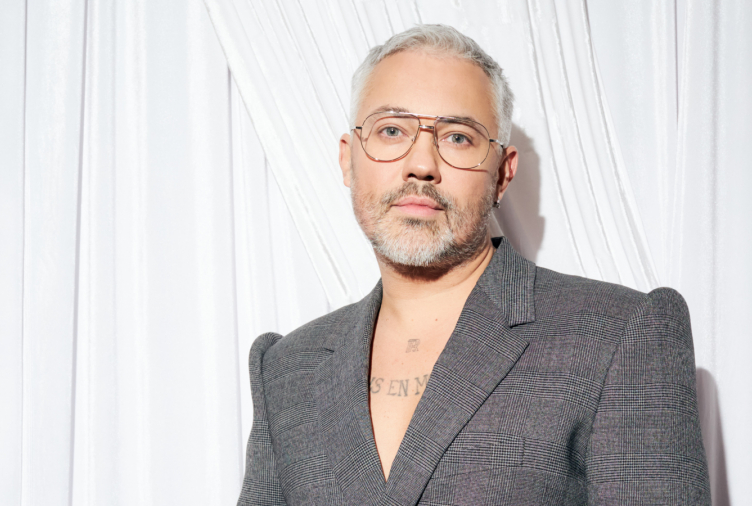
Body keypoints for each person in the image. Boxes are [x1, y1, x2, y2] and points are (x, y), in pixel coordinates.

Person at [238, 24, 710, 506]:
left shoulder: (619, 336)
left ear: (502, 174)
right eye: (391, 130)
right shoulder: (287, 369)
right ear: (348, 159)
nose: (422, 164)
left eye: (458, 137)